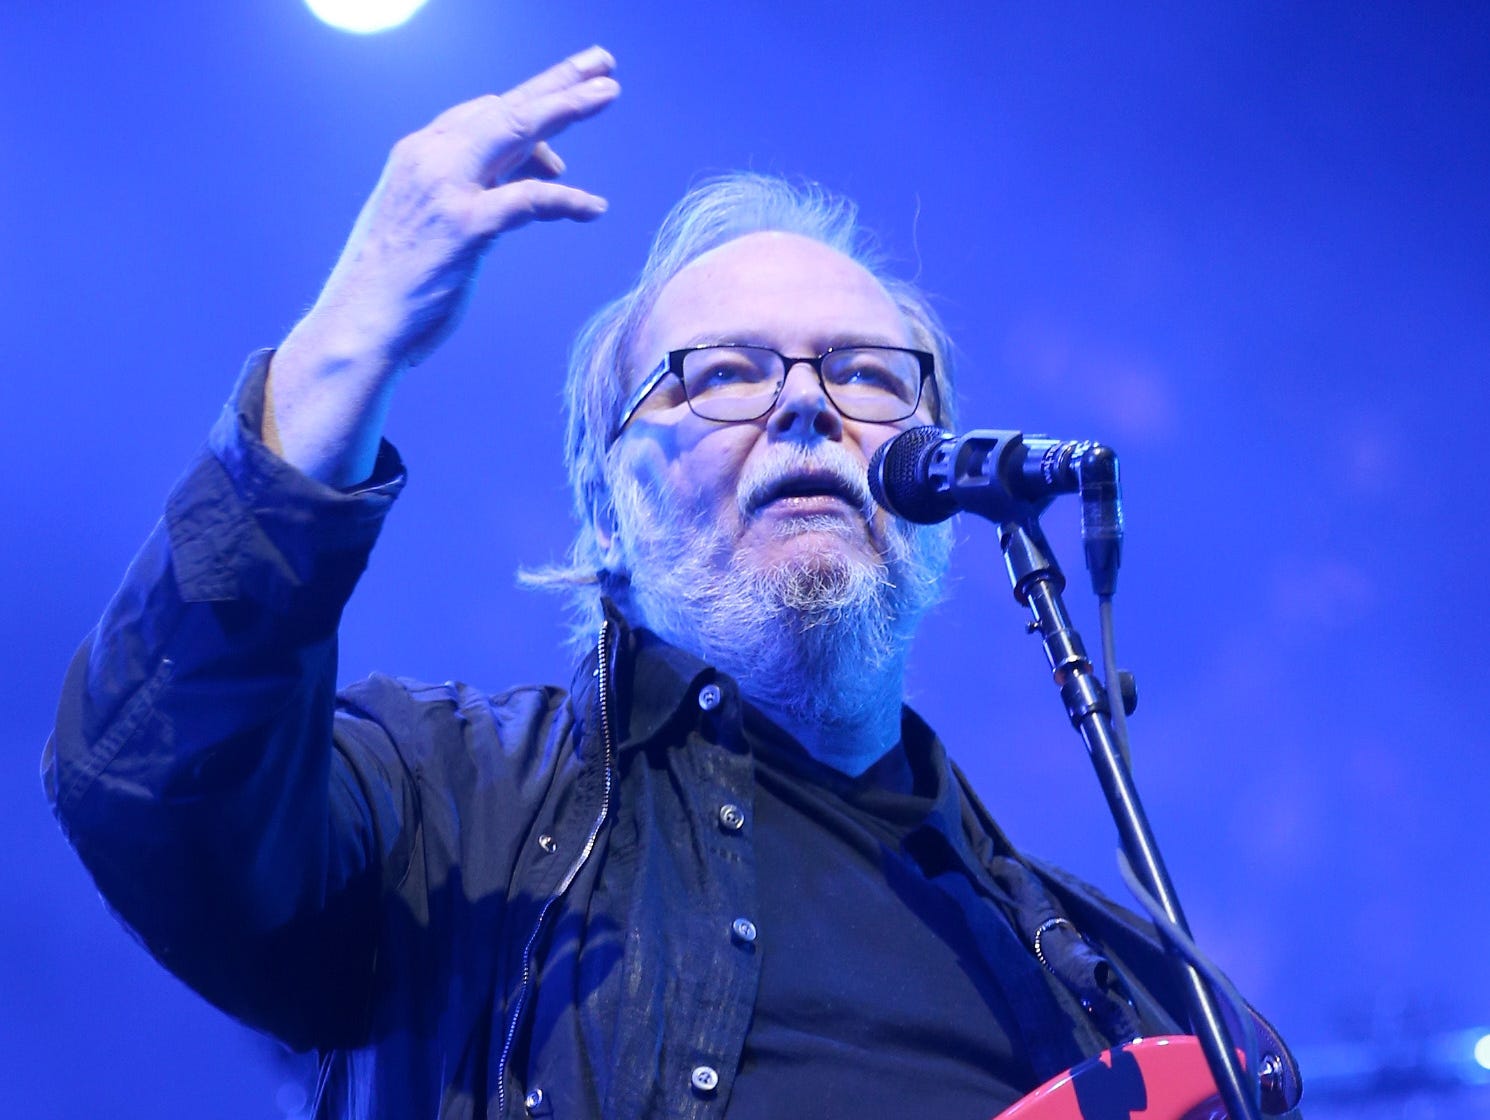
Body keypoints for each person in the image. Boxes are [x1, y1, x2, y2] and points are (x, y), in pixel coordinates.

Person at [44, 46, 1300, 1120]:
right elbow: (151, 787)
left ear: (939, 490)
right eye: (723, 374)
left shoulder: (1116, 976)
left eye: (867, 374)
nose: (807, 404)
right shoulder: (449, 808)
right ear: (607, 497)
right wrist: (344, 346)